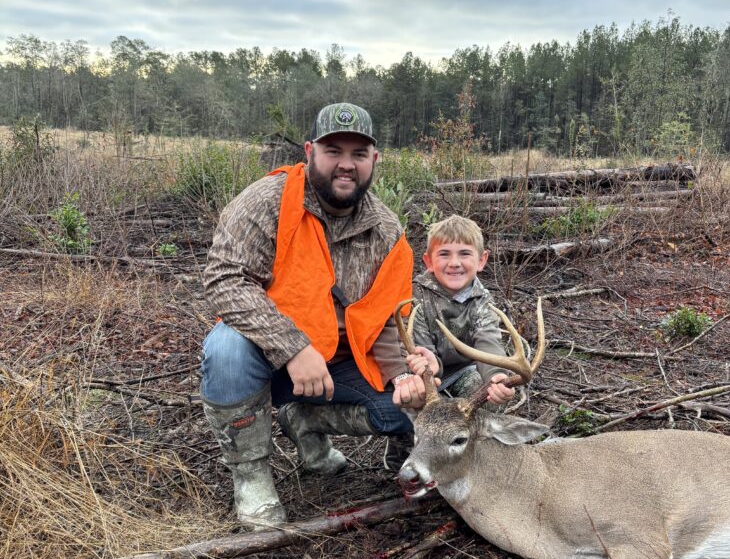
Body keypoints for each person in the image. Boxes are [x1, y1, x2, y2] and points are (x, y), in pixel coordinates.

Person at [200, 102, 425, 530]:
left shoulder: (387, 230)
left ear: (374, 160)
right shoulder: (267, 202)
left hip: (341, 365)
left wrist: (404, 375)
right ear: (309, 152)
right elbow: (224, 279)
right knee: (226, 348)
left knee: (406, 410)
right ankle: (252, 479)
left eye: (358, 154)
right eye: (333, 151)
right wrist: (293, 347)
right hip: (267, 359)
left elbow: (390, 315)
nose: (346, 164)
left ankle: (302, 421)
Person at [393, 215, 519, 407]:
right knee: (412, 402)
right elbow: (421, 349)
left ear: (481, 260)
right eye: (444, 254)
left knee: (489, 397)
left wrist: (497, 377)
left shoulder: (482, 301)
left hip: (463, 372)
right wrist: (429, 368)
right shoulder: (415, 296)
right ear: (428, 261)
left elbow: (489, 342)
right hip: (425, 377)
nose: (454, 263)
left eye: (464, 254)